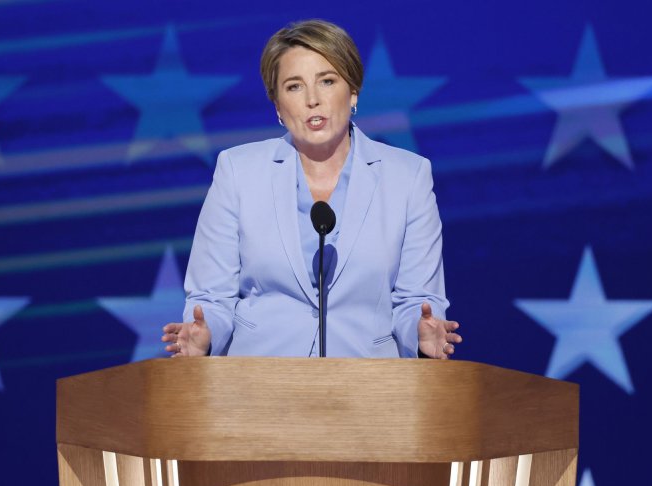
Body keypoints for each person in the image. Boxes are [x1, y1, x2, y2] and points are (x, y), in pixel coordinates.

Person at [162, 19, 461, 358]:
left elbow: (416, 301)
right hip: (259, 380)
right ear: (277, 105)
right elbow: (211, 297)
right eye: (294, 87)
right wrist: (205, 334)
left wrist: (421, 334)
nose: (313, 100)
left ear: (353, 92)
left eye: (327, 81)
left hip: (368, 383)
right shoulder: (238, 171)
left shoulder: (408, 176)